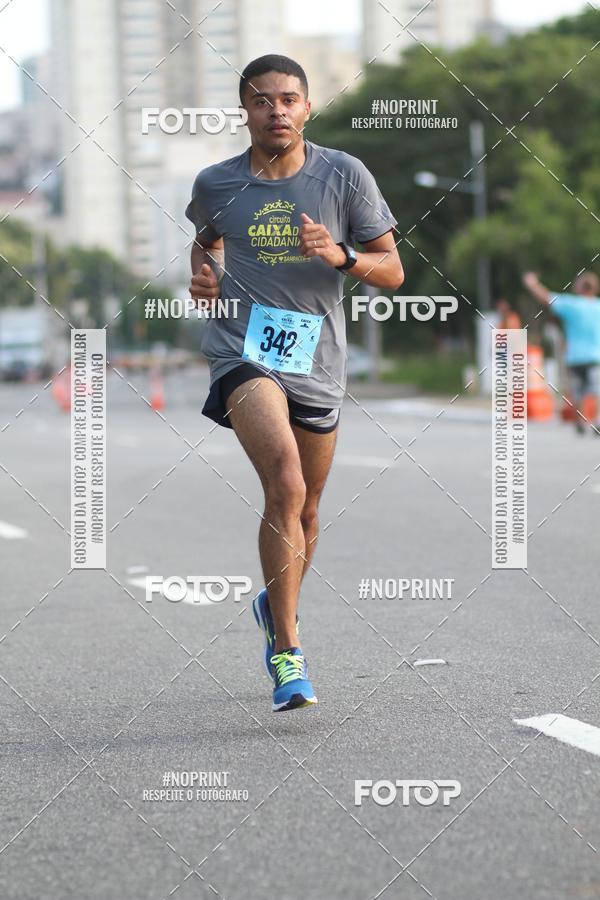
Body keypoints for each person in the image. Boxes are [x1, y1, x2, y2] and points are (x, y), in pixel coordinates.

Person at [185, 54, 404, 711]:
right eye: (262, 100)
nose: (276, 110)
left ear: (307, 108)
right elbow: (206, 241)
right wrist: (205, 274)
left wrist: (339, 255)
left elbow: (393, 271)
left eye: (288, 99)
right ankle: (287, 650)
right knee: (284, 482)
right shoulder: (217, 181)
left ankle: (272, 604)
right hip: (243, 350)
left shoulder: (344, 175)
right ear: (245, 110)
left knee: (307, 512)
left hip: (319, 359)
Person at [522, 270, 600, 435]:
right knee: (596, 389)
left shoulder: (572, 304)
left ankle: (580, 421)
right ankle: (597, 419)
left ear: (580, 288)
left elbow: (546, 298)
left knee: (577, 390)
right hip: (595, 356)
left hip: (575, 356)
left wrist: (532, 284)